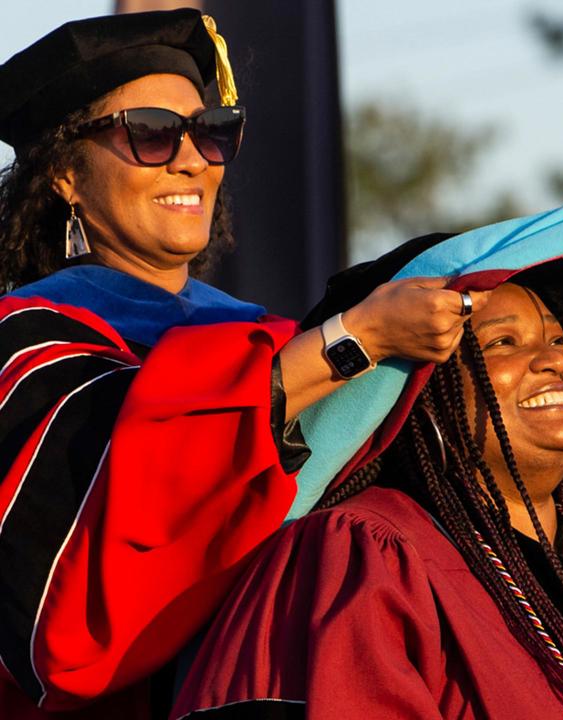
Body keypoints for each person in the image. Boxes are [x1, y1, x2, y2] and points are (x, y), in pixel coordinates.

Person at [0, 9, 489, 718]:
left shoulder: (262, 333)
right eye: (150, 133)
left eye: (211, 131)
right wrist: (351, 343)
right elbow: (83, 598)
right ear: (67, 176)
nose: (193, 158)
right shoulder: (27, 347)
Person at [171, 194, 563, 720]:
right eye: (503, 343)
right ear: (420, 390)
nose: (553, 362)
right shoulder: (367, 555)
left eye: (560, 342)